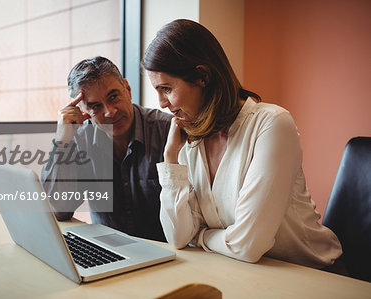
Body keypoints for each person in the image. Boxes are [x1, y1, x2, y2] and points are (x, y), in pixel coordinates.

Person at [142, 19, 342, 268]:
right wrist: (171, 159)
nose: (161, 102)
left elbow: (248, 246)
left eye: (167, 89)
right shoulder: (189, 140)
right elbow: (178, 237)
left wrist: (201, 235)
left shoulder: (272, 124)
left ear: (202, 76)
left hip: (312, 275)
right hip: (243, 273)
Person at [41, 56, 172, 242]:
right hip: (109, 251)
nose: (110, 112)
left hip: (167, 256)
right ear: (82, 110)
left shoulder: (167, 131)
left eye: (114, 97)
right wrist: (62, 141)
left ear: (127, 89)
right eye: (96, 106)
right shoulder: (79, 139)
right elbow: (59, 209)